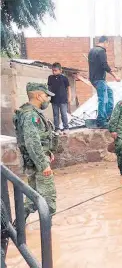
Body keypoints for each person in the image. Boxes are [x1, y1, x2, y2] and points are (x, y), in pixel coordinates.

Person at [13, 83, 59, 221]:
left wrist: (49, 152)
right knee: (48, 199)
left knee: (33, 197)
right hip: (38, 163)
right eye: (46, 96)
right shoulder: (31, 115)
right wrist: (43, 164)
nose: (48, 99)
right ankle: (48, 235)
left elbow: (40, 137)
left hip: (35, 161)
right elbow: (32, 142)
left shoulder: (31, 113)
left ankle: (17, 225)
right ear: (39, 96)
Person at [88, 35, 121, 128]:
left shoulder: (92, 50)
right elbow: (104, 65)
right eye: (107, 44)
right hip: (99, 79)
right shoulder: (101, 51)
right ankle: (101, 121)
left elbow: (94, 65)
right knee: (103, 99)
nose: (107, 46)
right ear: (105, 42)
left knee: (109, 92)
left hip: (93, 78)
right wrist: (115, 76)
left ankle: (108, 116)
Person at [47, 62, 71, 135]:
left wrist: (69, 97)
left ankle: (66, 128)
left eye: (56, 70)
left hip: (63, 100)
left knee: (64, 114)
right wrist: (48, 96)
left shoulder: (64, 78)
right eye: (53, 70)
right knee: (55, 114)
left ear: (60, 70)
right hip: (54, 100)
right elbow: (49, 88)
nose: (54, 72)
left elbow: (68, 88)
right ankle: (57, 129)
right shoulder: (50, 78)